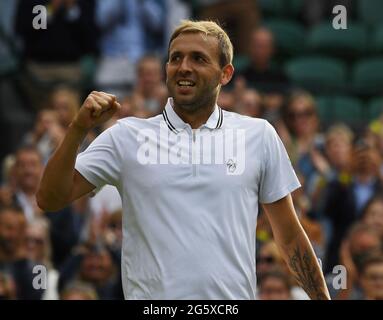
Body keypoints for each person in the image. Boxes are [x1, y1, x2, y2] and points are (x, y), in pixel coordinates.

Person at [37, 20, 330, 300]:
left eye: (198, 59)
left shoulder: (259, 135)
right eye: (175, 58)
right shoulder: (126, 135)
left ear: (225, 74)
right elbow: (50, 199)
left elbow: (290, 237)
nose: (184, 67)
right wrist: (78, 129)